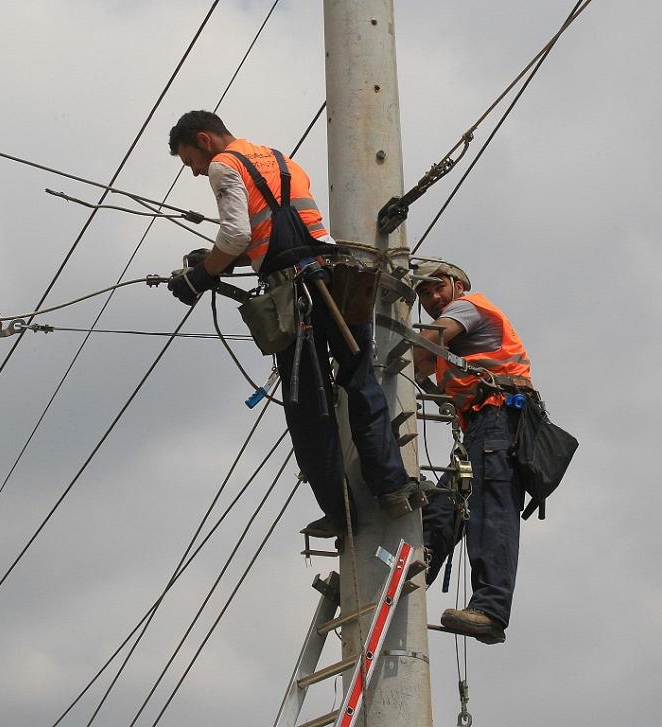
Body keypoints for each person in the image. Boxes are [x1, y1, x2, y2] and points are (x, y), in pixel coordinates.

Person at [165, 110, 422, 539]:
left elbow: (234, 236)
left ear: (204, 140)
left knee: (309, 406)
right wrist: (217, 264)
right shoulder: (282, 160)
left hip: (294, 294)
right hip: (336, 279)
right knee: (361, 382)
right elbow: (280, 231)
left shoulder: (223, 165)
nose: (193, 171)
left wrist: (201, 276)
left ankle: (342, 513)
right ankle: (393, 487)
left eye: (189, 159)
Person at [412, 259, 534, 645]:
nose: (432, 298)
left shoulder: (466, 307)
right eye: (423, 294)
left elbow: (419, 354)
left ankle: (491, 610)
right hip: (482, 426)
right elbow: (415, 370)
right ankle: (412, 577)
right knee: (445, 507)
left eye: (437, 288)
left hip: (500, 418)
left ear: (457, 285)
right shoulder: (453, 333)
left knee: (490, 509)